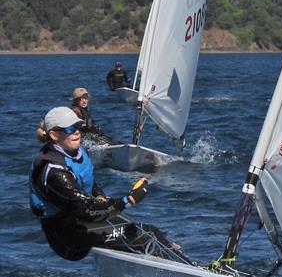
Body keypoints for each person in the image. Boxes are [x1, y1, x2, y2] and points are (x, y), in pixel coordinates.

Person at [30, 107, 180, 261]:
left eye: (78, 127)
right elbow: (87, 210)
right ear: (54, 135)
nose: (77, 132)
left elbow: (89, 182)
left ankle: (187, 264)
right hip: (67, 236)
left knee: (150, 231)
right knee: (139, 236)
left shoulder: (75, 151)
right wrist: (128, 200)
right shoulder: (54, 172)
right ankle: (180, 272)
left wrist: (100, 196)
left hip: (82, 221)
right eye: (70, 128)